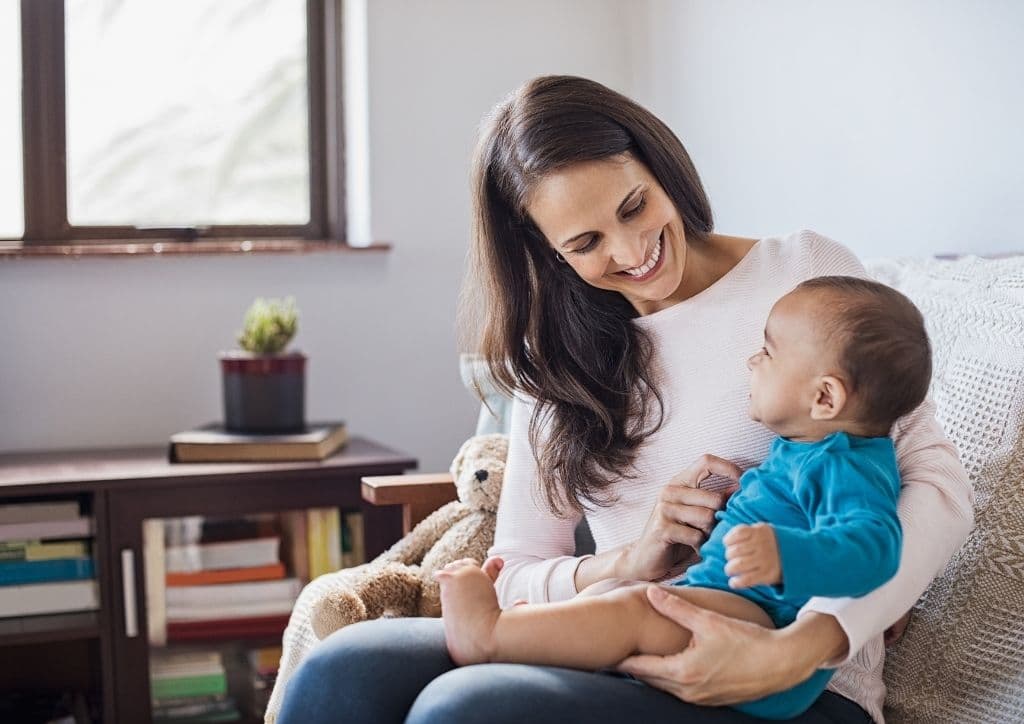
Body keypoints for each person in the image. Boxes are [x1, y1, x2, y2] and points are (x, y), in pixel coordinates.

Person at [277, 75, 973, 724]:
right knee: (344, 669)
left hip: (794, 684)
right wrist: (626, 562)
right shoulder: (559, 359)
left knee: (465, 707)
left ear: (656, 163)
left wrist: (808, 644)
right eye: (586, 242)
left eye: (635, 205)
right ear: (547, 253)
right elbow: (516, 572)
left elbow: (937, 487)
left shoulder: (803, 280)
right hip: (619, 642)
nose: (634, 250)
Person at [435, 275, 929, 720]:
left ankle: (491, 636)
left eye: (769, 353)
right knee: (614, 598)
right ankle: (520, 634)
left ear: (825, 398)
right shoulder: (811, 450)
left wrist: (785, 555)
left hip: (764, 633)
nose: (752, 360)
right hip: (736, 606)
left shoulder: (844, 464)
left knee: (636, 610)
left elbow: (876, 548)